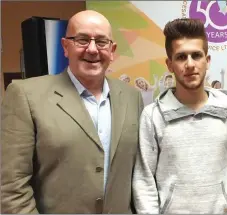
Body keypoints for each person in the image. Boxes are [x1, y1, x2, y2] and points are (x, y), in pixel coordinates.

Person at [1, 10, 143, 214]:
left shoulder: (132, 98)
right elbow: (11, 187)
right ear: (65, 47)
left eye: (101, 42)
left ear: (112, 50)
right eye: (82, 40)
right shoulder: (25, 95)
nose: (92, 49)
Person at [132, 18, 227, 214]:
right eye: (181, 57)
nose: (190, 64)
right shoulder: (152, 115)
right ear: (169, 64)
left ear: (207, 61)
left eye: (196, 55)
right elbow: (144, 180)